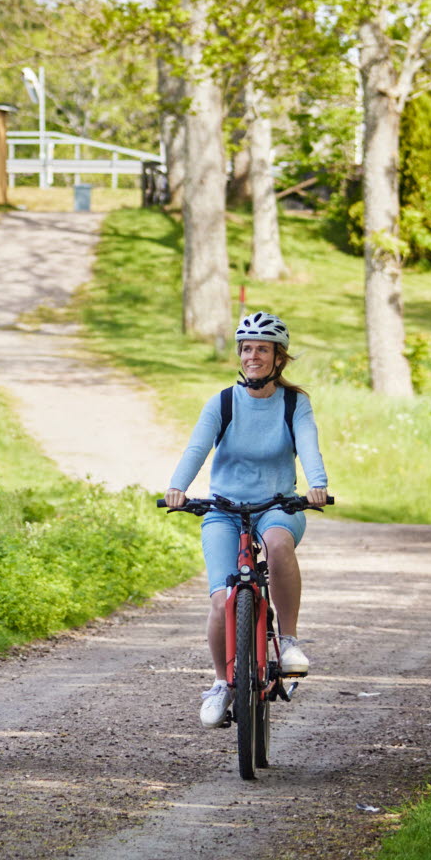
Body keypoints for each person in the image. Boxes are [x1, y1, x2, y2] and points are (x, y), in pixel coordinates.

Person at [164, 310, 331, 729]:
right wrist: (177, 487)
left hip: (279, 505)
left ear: (279, 358)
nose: (253, 355)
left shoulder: (294, 403)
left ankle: (289, 642)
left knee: (277, 545)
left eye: (262, 349)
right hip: (224, 508)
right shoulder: (223, 401)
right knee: (222, 600)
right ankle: (222, 683)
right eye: (247, 349)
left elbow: (308, 444)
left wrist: (317, 484)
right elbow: (197, 447)